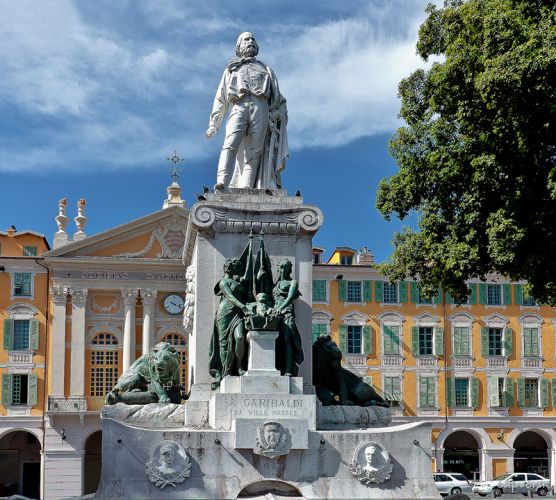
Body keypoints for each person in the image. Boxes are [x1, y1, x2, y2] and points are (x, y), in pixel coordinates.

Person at [206, 32, 288, 190]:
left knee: (254, 152)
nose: (250, 41)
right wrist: (214, 124)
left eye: (253, 39)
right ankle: (222, 181)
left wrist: (277, 113)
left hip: (261, 106)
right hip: (239, 105)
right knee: (230, 144)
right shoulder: (231, 69)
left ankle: (246, 187)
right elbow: (220, 97)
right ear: (239, 47)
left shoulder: (266, 70)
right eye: (246, 39)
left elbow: (279, 100)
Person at [208, 258, 250, 389]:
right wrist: (243, 306)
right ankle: (225, 370)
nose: (239, 270)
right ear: (229, 268)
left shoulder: (239, 282)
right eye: (237, 267)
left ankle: (239, 366)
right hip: (225, 312)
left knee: (240, 337)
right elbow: (230, 296)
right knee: (224, 343)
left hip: (237, 314)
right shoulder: (223, 282)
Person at [273, 258, 303, 376]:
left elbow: (290, 297)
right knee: (276, 341)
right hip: (274, 314)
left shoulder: (293, 282)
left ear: (289, 270)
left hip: (286, 312)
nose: (282, 271)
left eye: (285, 268)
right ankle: (278, 367)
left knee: (287, 338)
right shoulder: (276, 284)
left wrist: (280, 309)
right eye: (281, 268)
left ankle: (289, 369)